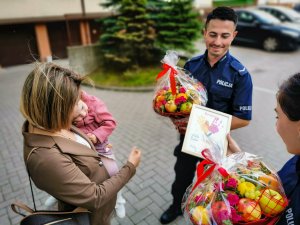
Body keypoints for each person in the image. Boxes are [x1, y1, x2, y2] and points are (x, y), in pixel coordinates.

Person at [160, 6, 253, 224]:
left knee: (213, 186)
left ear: (234, 36)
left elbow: (244, 118)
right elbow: (181, 101)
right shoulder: (191, 65)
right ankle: (175, 207)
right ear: (204, 33)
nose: (217, 42)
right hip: (188, 139)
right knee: (181, 177)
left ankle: (206, 216)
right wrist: (177, 116)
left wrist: (206, 124)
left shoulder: (240, 75)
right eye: (213, 34)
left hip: (217, 143)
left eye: (224, 36)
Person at [20, 62, 141, 225]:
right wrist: (130, 166)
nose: (83, 106)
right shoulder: (45, 158)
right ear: (57, 108)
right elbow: (96, 197)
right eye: (76, 101)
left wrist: (94, 149)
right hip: (90, 219)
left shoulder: (55, 122)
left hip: (103, 212)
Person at [227, 73, 300, 224]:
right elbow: (276, 185)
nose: (276, 125)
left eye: (277, 117)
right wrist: (241, 158)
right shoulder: (297, 160)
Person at [44, 90, 127, 218]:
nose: (83, 114)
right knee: (72, 174)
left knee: (113, 173)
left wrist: (96, 135)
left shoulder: (94, 103)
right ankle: (57, 196)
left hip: (101, 148)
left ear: (80, 97)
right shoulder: (63, 112)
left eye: (83, 108)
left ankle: (119, 200)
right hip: (81, 150)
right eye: (76, 118)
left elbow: (110, 123)